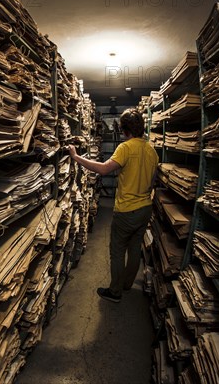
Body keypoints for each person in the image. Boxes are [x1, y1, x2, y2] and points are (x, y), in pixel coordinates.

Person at [67, 108, 158, 303]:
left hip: (126, 209)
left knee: (117, 251)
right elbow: (152, 182)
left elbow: (103, 169)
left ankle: (115, 291)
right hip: (145, 207)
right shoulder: (151, 150)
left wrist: (76, 157)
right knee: (135, 249)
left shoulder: (126, 148)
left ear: (124, 131)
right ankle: (127, 284)